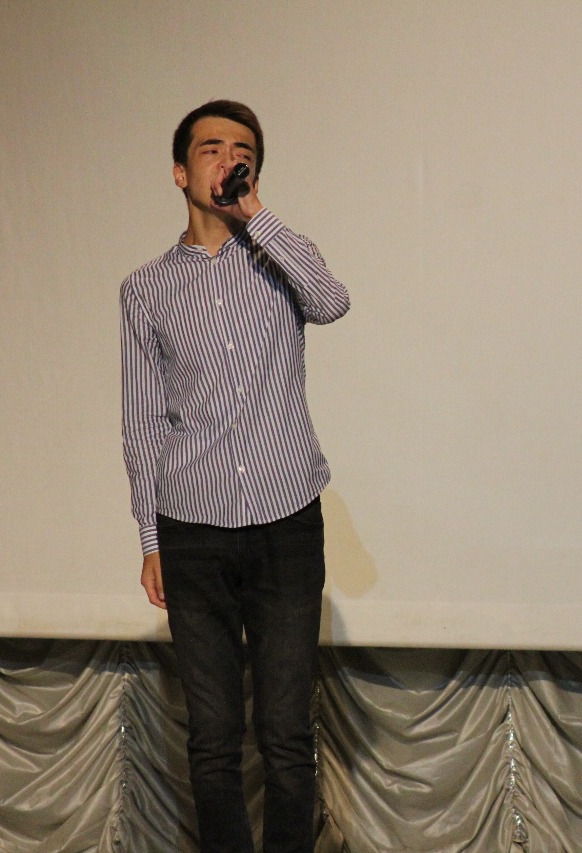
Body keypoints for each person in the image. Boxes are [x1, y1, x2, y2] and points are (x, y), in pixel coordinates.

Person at [120, 99, 350, 853]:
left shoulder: (280, 257)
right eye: (211, 148)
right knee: (214, 737)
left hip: (287, 522)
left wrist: (256, 216)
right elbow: (142, 420)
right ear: (179, 172)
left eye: (242, 150)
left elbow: (333, 302)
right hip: (192, 529)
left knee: (285, 731)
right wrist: (150, 538)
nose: (228, 159)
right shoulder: (146, 289)